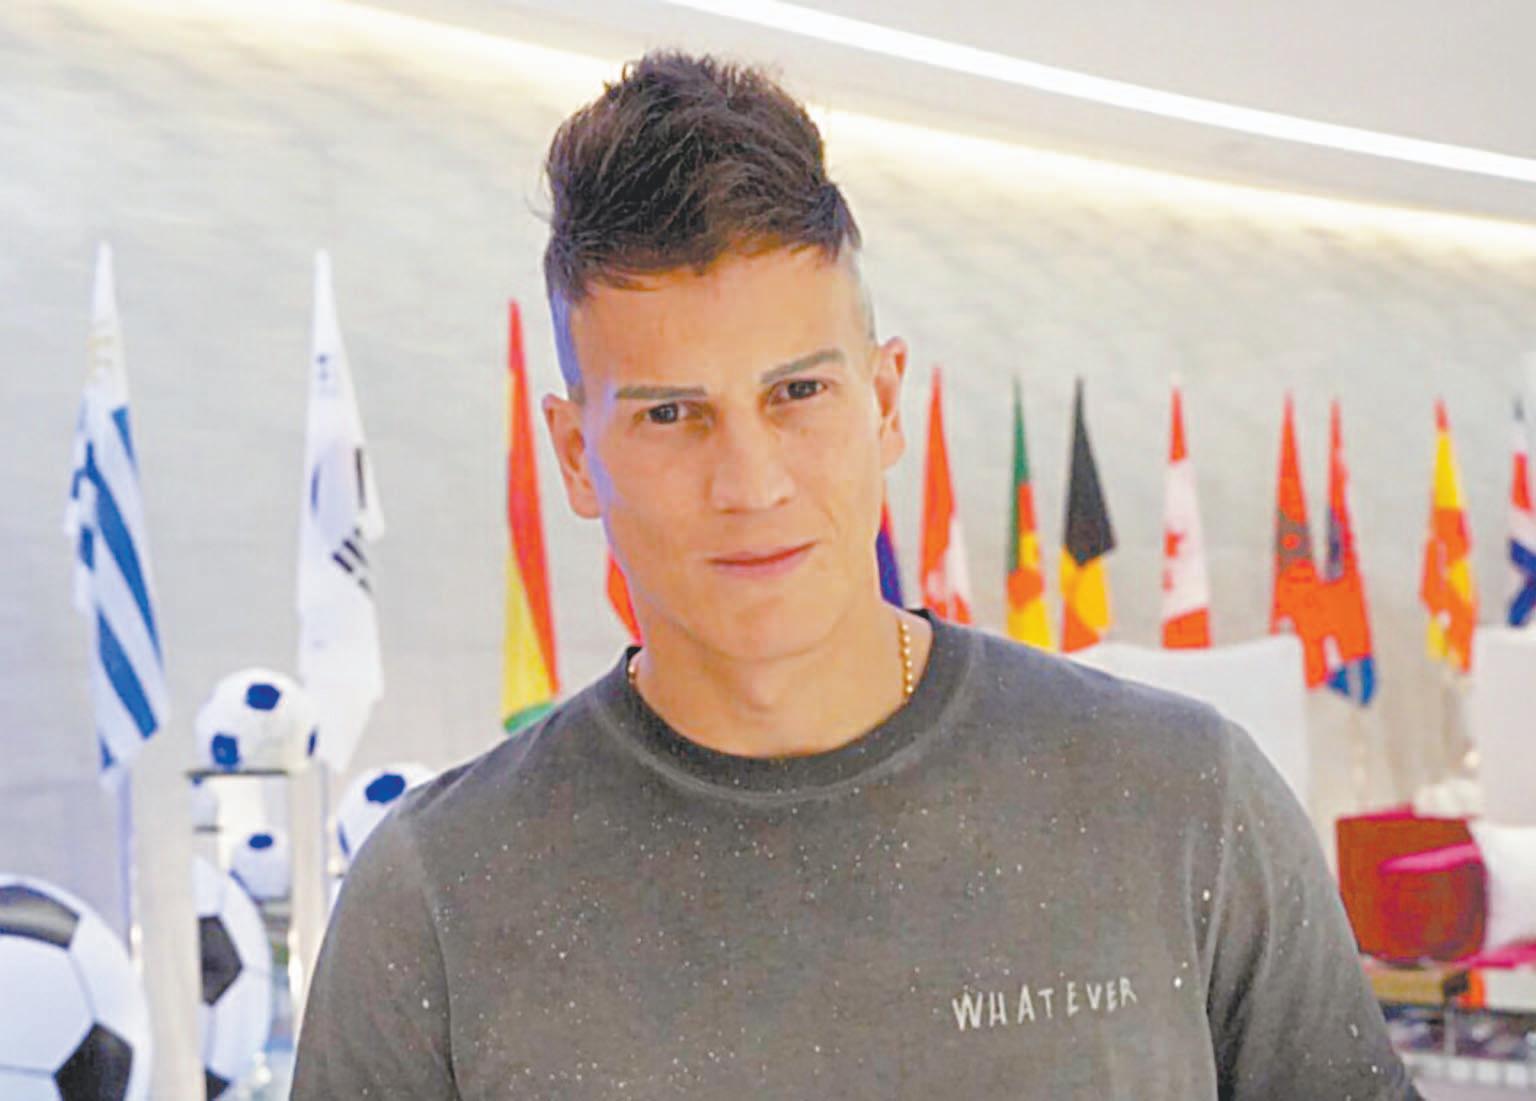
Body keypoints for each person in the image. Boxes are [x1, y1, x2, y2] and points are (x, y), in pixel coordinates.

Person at [292, 50, 1422, 1099]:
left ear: (884, 403)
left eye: (798, 393)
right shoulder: (435, 898)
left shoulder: (1184, 801)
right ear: (578, 456)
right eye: (672, 414)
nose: (751, 483)